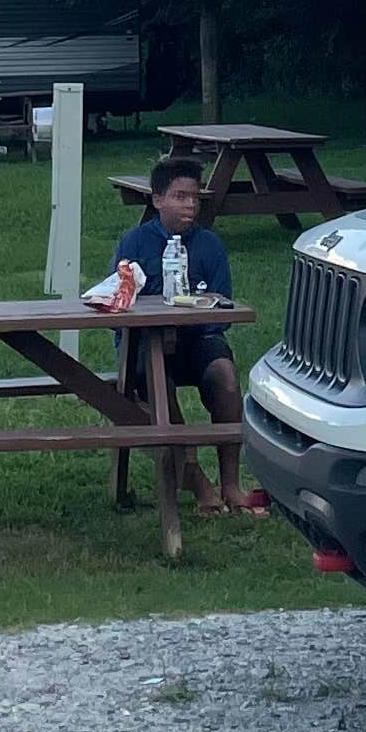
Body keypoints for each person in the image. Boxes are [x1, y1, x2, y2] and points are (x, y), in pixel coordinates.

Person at [111, 154, 260, 514]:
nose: (190, 205)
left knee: (224, 375)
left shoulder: (209, 245)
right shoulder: (135, 244)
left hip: (197, 339)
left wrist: (196, 319)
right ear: (157, 199)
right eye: (180, 196)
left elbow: (221, 307)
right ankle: (196, 480)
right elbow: (119, 302)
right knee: (161, 389)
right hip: (145, 344)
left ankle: (231, 483)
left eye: (195, 197)